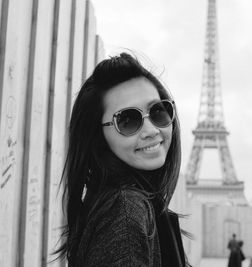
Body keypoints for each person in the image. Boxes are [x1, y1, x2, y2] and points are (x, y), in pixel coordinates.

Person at [54, 53, 189, 266]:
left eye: (158, 111)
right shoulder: (125, 212)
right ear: (98, 138)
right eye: (127, 121)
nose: (151, 130)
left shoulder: (114, 203)